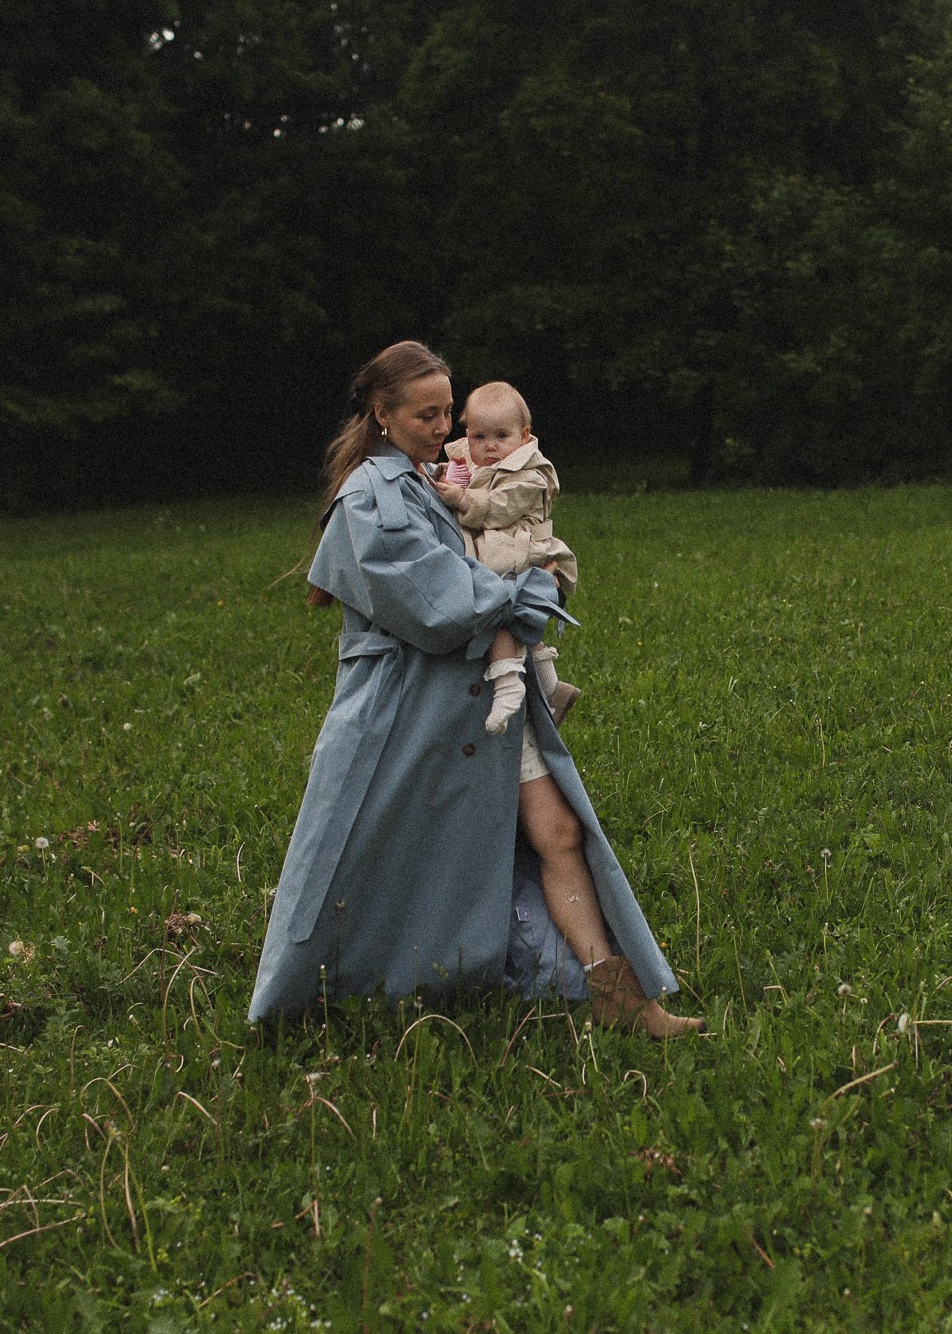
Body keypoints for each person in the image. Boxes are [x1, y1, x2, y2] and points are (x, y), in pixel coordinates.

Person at [249, 341, 702, 1038]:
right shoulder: (370, 496)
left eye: (446, 413)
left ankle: (618, 995)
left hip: (480, 701)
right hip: (406, 717)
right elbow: (441, 605)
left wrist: (527, 575)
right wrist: (535, 586)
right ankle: (328, 997)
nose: (443, 428)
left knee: (559, 831)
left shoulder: (437, 479)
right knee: (373, 864)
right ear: (382, 414)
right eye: (426, 415)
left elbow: (497, 544)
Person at [429, 381, 581, 732]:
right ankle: (550, 688)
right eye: (479, 436)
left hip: (522, 551)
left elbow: (501, 506)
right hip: (498, 550)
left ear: (524, 436)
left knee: (497, 603)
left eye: (501, 436)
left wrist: (462, 499)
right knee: (512, 614)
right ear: (467, 434)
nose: (490, 446)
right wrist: (443, 476)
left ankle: (508, 682)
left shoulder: (532, 473)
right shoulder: (466, 460)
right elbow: (454, 478)